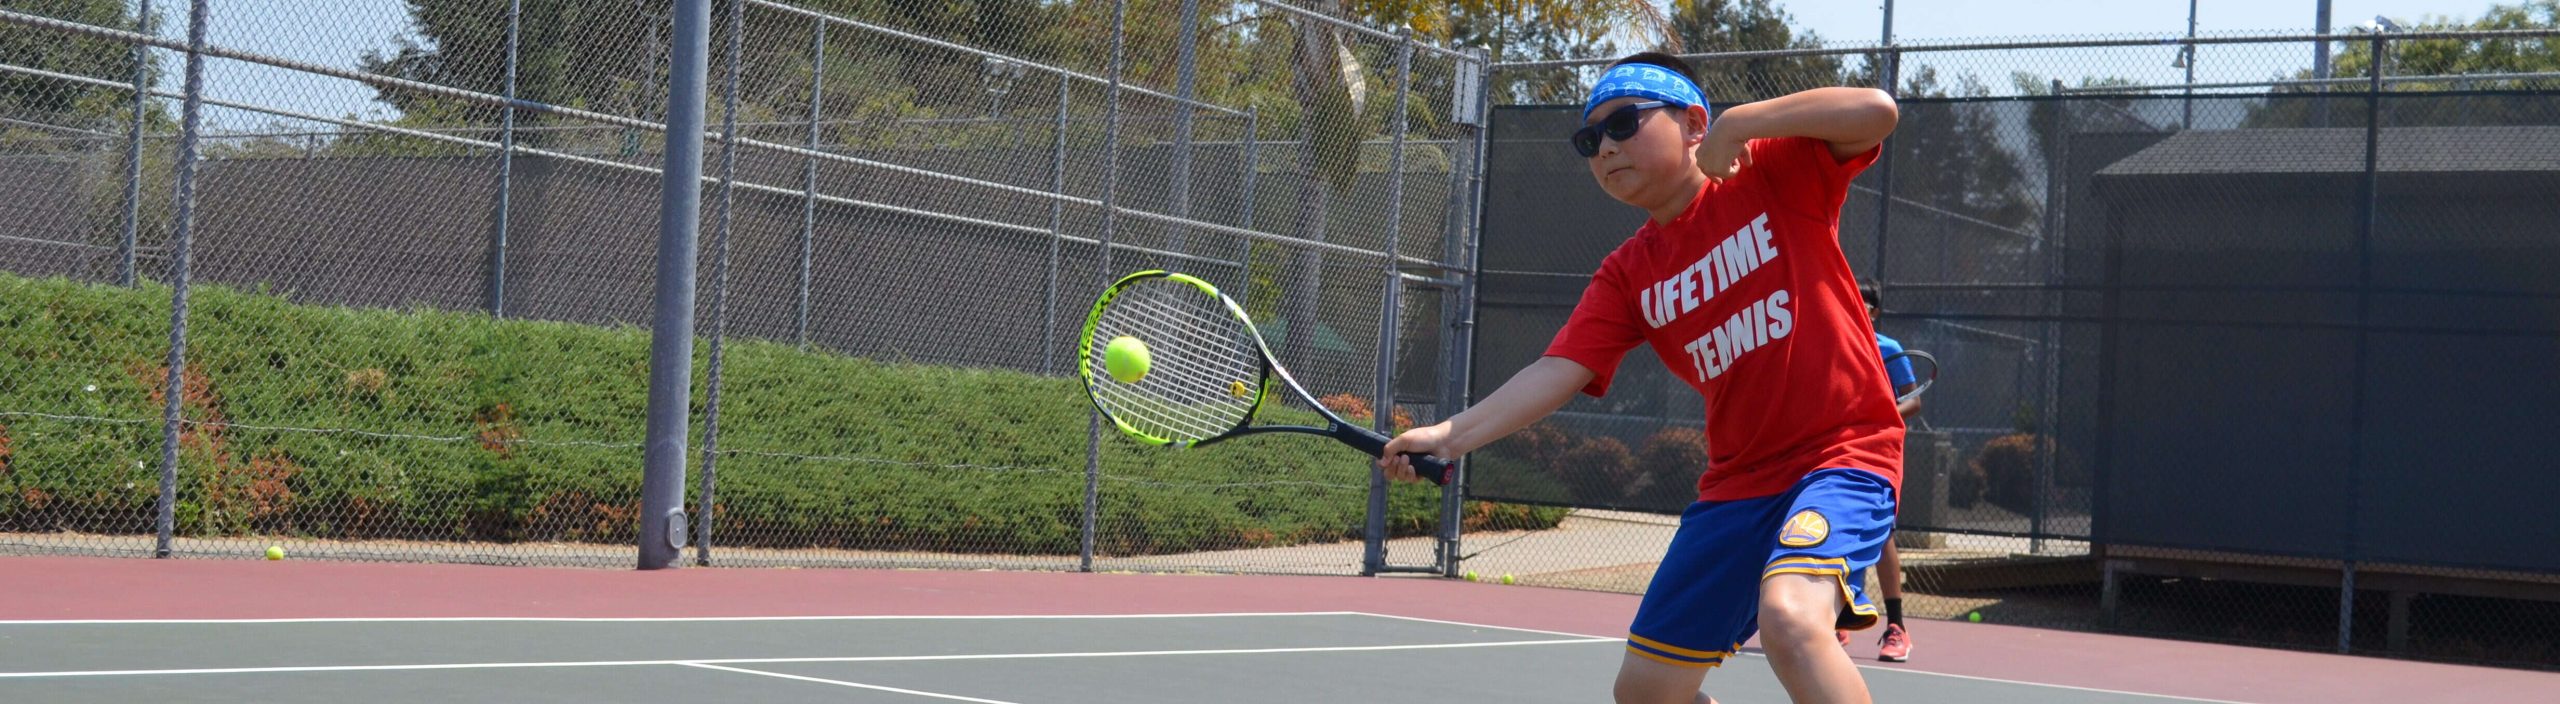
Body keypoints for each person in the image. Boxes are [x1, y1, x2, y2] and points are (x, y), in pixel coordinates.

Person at [1375, 51, 1902, 704]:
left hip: (1841, 456)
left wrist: (1740, 124)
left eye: (1623, 123)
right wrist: (1450, 436)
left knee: (1791, 621)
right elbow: (1556, 369)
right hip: (1738, 487)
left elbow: (1877, 112)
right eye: (1589, 139)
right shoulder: (1629, 274)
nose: (1605, 149)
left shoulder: (1769, 172)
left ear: (1691, 123)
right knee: (1646, 691)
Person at [1837, 282, 1920, 663]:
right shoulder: (1835, 343)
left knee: (1882, 534)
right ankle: (1840, 615)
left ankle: (1896, 627)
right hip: (1840, 449)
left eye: (1864, 301)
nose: (1856, 304)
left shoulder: (1890, 349)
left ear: (1874, 311)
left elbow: (1913, 400)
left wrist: (1881, 419)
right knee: (1835, 529)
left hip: (1881, 450)